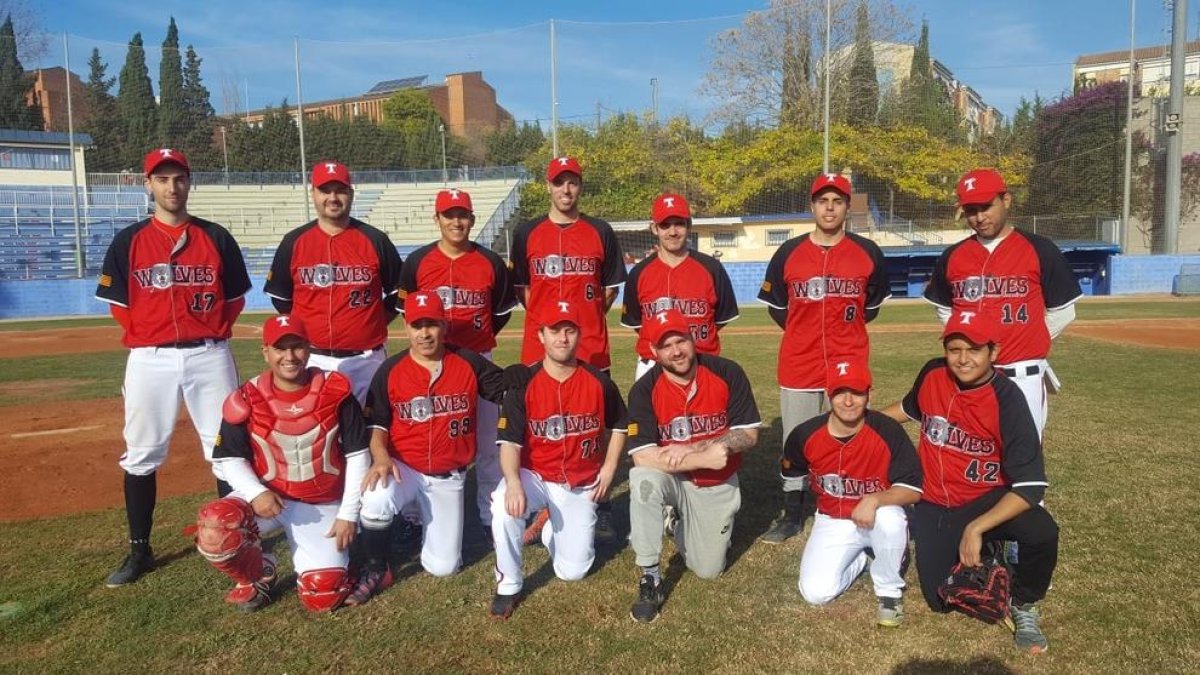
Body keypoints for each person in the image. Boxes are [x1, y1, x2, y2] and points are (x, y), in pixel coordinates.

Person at [95, 148, 252, 587]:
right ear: (148, 185)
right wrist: (150, 337)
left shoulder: (216, 237)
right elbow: (120, 307)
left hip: (208, 354)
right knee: (142, 452)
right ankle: (139, 551)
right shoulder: (129, 240)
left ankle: (238, 538)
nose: (171, 186)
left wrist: (212, 329)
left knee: (224, 448)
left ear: (189, 182)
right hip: (150, 358)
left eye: (178, 177)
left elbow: (235, 298)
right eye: (161, 178)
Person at [881, 310, 1059, 654]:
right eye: (954, 349)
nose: (962, 359)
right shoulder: (933, 373)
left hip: (987, 498)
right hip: (935, 502)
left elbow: (1030, 486)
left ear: (993, 352)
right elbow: (907, 409)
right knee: (940, 600)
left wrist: (976, 528)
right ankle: (990, 557)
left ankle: (1023, 602)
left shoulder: (1007, 398)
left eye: (973, 349)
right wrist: (862, 422)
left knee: (1041, 530)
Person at [193, 315, 370, 613]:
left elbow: (358, 455)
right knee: (215, 526)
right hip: (270, 498)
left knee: (323, 597)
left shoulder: (336, 392)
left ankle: (345, 560)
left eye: (297, 347)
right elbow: (230, 458)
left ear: (308, 349)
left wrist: (348, 513)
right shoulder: (247, 397)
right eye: (280, 348)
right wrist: (255, 492)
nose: (289, 356)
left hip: (320, 502)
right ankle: (256, 574)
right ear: (266, 352)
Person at [757, 173, 890, 544]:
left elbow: (870, 308)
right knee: (796, 438)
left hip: (849, 362)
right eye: (822, 201)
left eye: (837, 201)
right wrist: (804, 333)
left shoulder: (868, 253)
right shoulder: (788, 252)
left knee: (850, 434)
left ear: (847, 207)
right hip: (799, 361)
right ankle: (793, 511)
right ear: (812, 206)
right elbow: (778, 309)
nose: (829, 208)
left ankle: (846, 500)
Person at [350, 291, 506, 605]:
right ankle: (377, 567)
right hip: (404, 467)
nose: (424, 333)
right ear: (406, 327)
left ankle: (417, 523)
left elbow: (504, 389)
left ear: (444, 326)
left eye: (431, 325)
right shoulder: (391, 369)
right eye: (416, 325)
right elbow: (377, 422)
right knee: (375, 496)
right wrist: (380, 457)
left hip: (448, 476)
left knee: (443, 567)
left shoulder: (465, 360)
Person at [509, 156, 626, 541]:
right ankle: (542, 503)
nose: (566, 190)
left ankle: (601, 501)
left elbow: (608, 289)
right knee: (538, 425)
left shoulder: (600, 231)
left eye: (573, 182)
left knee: (598, 426)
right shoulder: (526, 233)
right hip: (540, 347)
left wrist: (584, 320)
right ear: (548, 186)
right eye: (559, 183)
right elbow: (523, 291)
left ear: (580, 186)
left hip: (589, 345)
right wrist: (549, 329)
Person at [488, 299, 627, 619]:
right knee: (502, 505)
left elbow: (621, 424)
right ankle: (508, 584)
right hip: (534, 474)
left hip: (579, 481)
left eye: (569, 330)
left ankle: (549, 528)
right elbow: (508, 442)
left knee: (573, 571)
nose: (562, 338)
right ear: (541, 336)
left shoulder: (598, 381)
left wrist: (609, 468)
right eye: (555, 331)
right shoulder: (524, 384)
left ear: (579, 336)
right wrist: (512, 483)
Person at [924, 168, 1082, 440]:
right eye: (971, 210)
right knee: (973, 454)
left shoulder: (1039, 249)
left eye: (986, 206)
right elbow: (945, 309)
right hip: (970, 376)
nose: (979, 217)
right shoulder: (953, 256)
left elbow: (1063, 311)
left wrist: (1028, 337)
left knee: (1022, 463)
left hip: (1022, 376)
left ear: (1006, 200)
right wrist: (970, 347)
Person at [624, 309, 761, 623]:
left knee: (709, 570)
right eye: (666, 345)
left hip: (715, 482)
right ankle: (650, 576)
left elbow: (749, 434)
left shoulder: (727, 372)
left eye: (681, 340)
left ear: (693, 338)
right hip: (671, 476)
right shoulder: (643, 391)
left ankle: (677, 523)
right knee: (643, 480)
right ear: (654, 352)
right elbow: (643, 456)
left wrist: (699, 448)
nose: (676, 351)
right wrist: (703, 455)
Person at [399, 188, 517, 537]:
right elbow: (406, 312)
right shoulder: (418, 262)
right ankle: (413, 516)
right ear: (437, 219)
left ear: (472, 219)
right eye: (449, 215)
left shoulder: (490, 262)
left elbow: (499, 314)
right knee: (421, 436)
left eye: (462, 215)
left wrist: (472, 344)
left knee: (486, 440)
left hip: (477, 360)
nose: (456, 221)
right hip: (429, 363)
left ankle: (487, 512)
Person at [782, 359, 922, 627]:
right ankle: (860, 561)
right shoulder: (805, 435)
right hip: (833, 518)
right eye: (840, 393)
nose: (848, 401)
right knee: (815, 593)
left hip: (879, 514)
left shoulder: (887, 430)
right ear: (828, 395)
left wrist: (875, 499)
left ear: (870, 394)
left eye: (857, 392)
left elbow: (913, 490)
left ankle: (889, 593)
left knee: (892, 520)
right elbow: (791, 470)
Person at [265, 160, 404, 403]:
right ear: (313, 194)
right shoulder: (294, 241)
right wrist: (308, 325)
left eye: (340, 190)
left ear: (351, 193)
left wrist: (372, 321)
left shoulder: (375, 240)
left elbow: (400, 294)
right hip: (312, 358)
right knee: (314, 434)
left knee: (368, 432)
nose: (333, 197)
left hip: (366, 360)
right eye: (325, 190)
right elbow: (282, 299)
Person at [621, 192, 739, 380]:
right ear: (654, 228)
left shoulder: (711, 268)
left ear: (689, 225)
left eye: (679, 223)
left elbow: (720, 318)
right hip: (653, 364)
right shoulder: (638, 273)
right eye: (665, 225)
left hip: (703, 361)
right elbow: (637, 322)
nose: (673, 231)